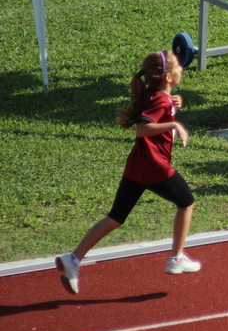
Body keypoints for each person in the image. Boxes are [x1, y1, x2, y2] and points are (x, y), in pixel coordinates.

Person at [55, 50, 201, 294]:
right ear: (167, 76)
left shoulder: (157, 96)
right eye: (178, 67)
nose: (181, 70)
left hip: (136, 167)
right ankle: (176, 259)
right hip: (155, 168)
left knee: (116, 217)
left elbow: (159, 108)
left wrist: (176, 105)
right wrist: (175, 123)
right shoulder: (160, 100)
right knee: (187, 202)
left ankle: (73, 260)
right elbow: (143, 129)